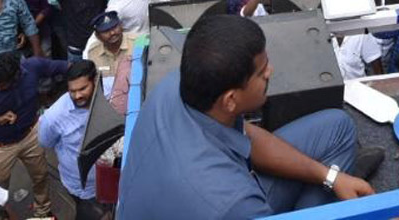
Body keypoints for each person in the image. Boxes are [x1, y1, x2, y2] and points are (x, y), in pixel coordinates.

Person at [119, 13, 380, 219]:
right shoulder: (231, 203)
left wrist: (331, 177)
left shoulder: (178, 84)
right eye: (261, 71)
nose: (271, 71)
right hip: (219, 202)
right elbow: (229, 203)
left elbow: (246, 136)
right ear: (230, 100)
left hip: (204, 192)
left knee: (337, 127)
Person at [0, 51, 67, 218]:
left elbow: (65, 67)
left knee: (40, 176)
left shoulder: (33, 67)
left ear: (16, 77)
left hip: (31, 135)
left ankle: (43, 211)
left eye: (1, 85)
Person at [37, 60, 103, 220]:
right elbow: (46, 142)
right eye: (72, 91)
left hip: (114, 177)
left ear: (94, 81)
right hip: (84, 187)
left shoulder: (110, 90)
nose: (77, 95)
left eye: (83, 89)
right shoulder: (53, 117)